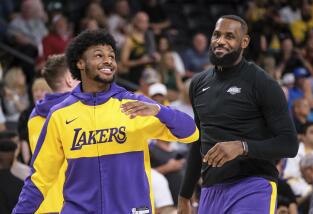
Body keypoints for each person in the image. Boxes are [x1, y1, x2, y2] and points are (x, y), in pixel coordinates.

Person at [13, 29, 199, 213]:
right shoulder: (60, 114)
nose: (108, 60)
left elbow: (191, 132)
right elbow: (39, 179)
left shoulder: (134, 104)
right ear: (80, 63)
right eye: (99, 55)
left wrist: (161, 111)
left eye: (111, 55)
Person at [178, 15, 298, 214]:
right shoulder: (198, 83)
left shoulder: (262, 83)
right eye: (216, 34)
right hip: (210, 189)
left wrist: (242, 147)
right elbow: (197, 140)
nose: (220, 41)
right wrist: (184, 195)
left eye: (229, 36)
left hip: (252, 185)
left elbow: (289, 144)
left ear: (244, 42)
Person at [27, 54, 79, 213]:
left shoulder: (34, 116)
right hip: (73, 203)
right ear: (70, 79)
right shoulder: (78, 111)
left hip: (42, 203)